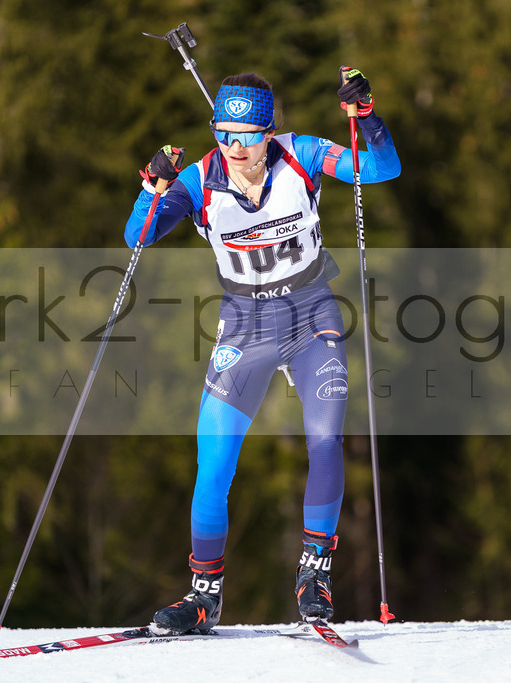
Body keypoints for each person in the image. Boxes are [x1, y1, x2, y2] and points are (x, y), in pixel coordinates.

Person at [124, 67, 400, 633]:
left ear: (268, 132)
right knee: (214, 463)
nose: (233, 147)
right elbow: (139, 235)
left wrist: (365, 117)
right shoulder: (200, 181)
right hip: (245, 325)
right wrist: (151, 187)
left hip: (311, 313)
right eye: (223, 133)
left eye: (246, 136)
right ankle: (204, 596)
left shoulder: (302, 155)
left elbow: (382, 168)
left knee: (325, 439)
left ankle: (313, 575)